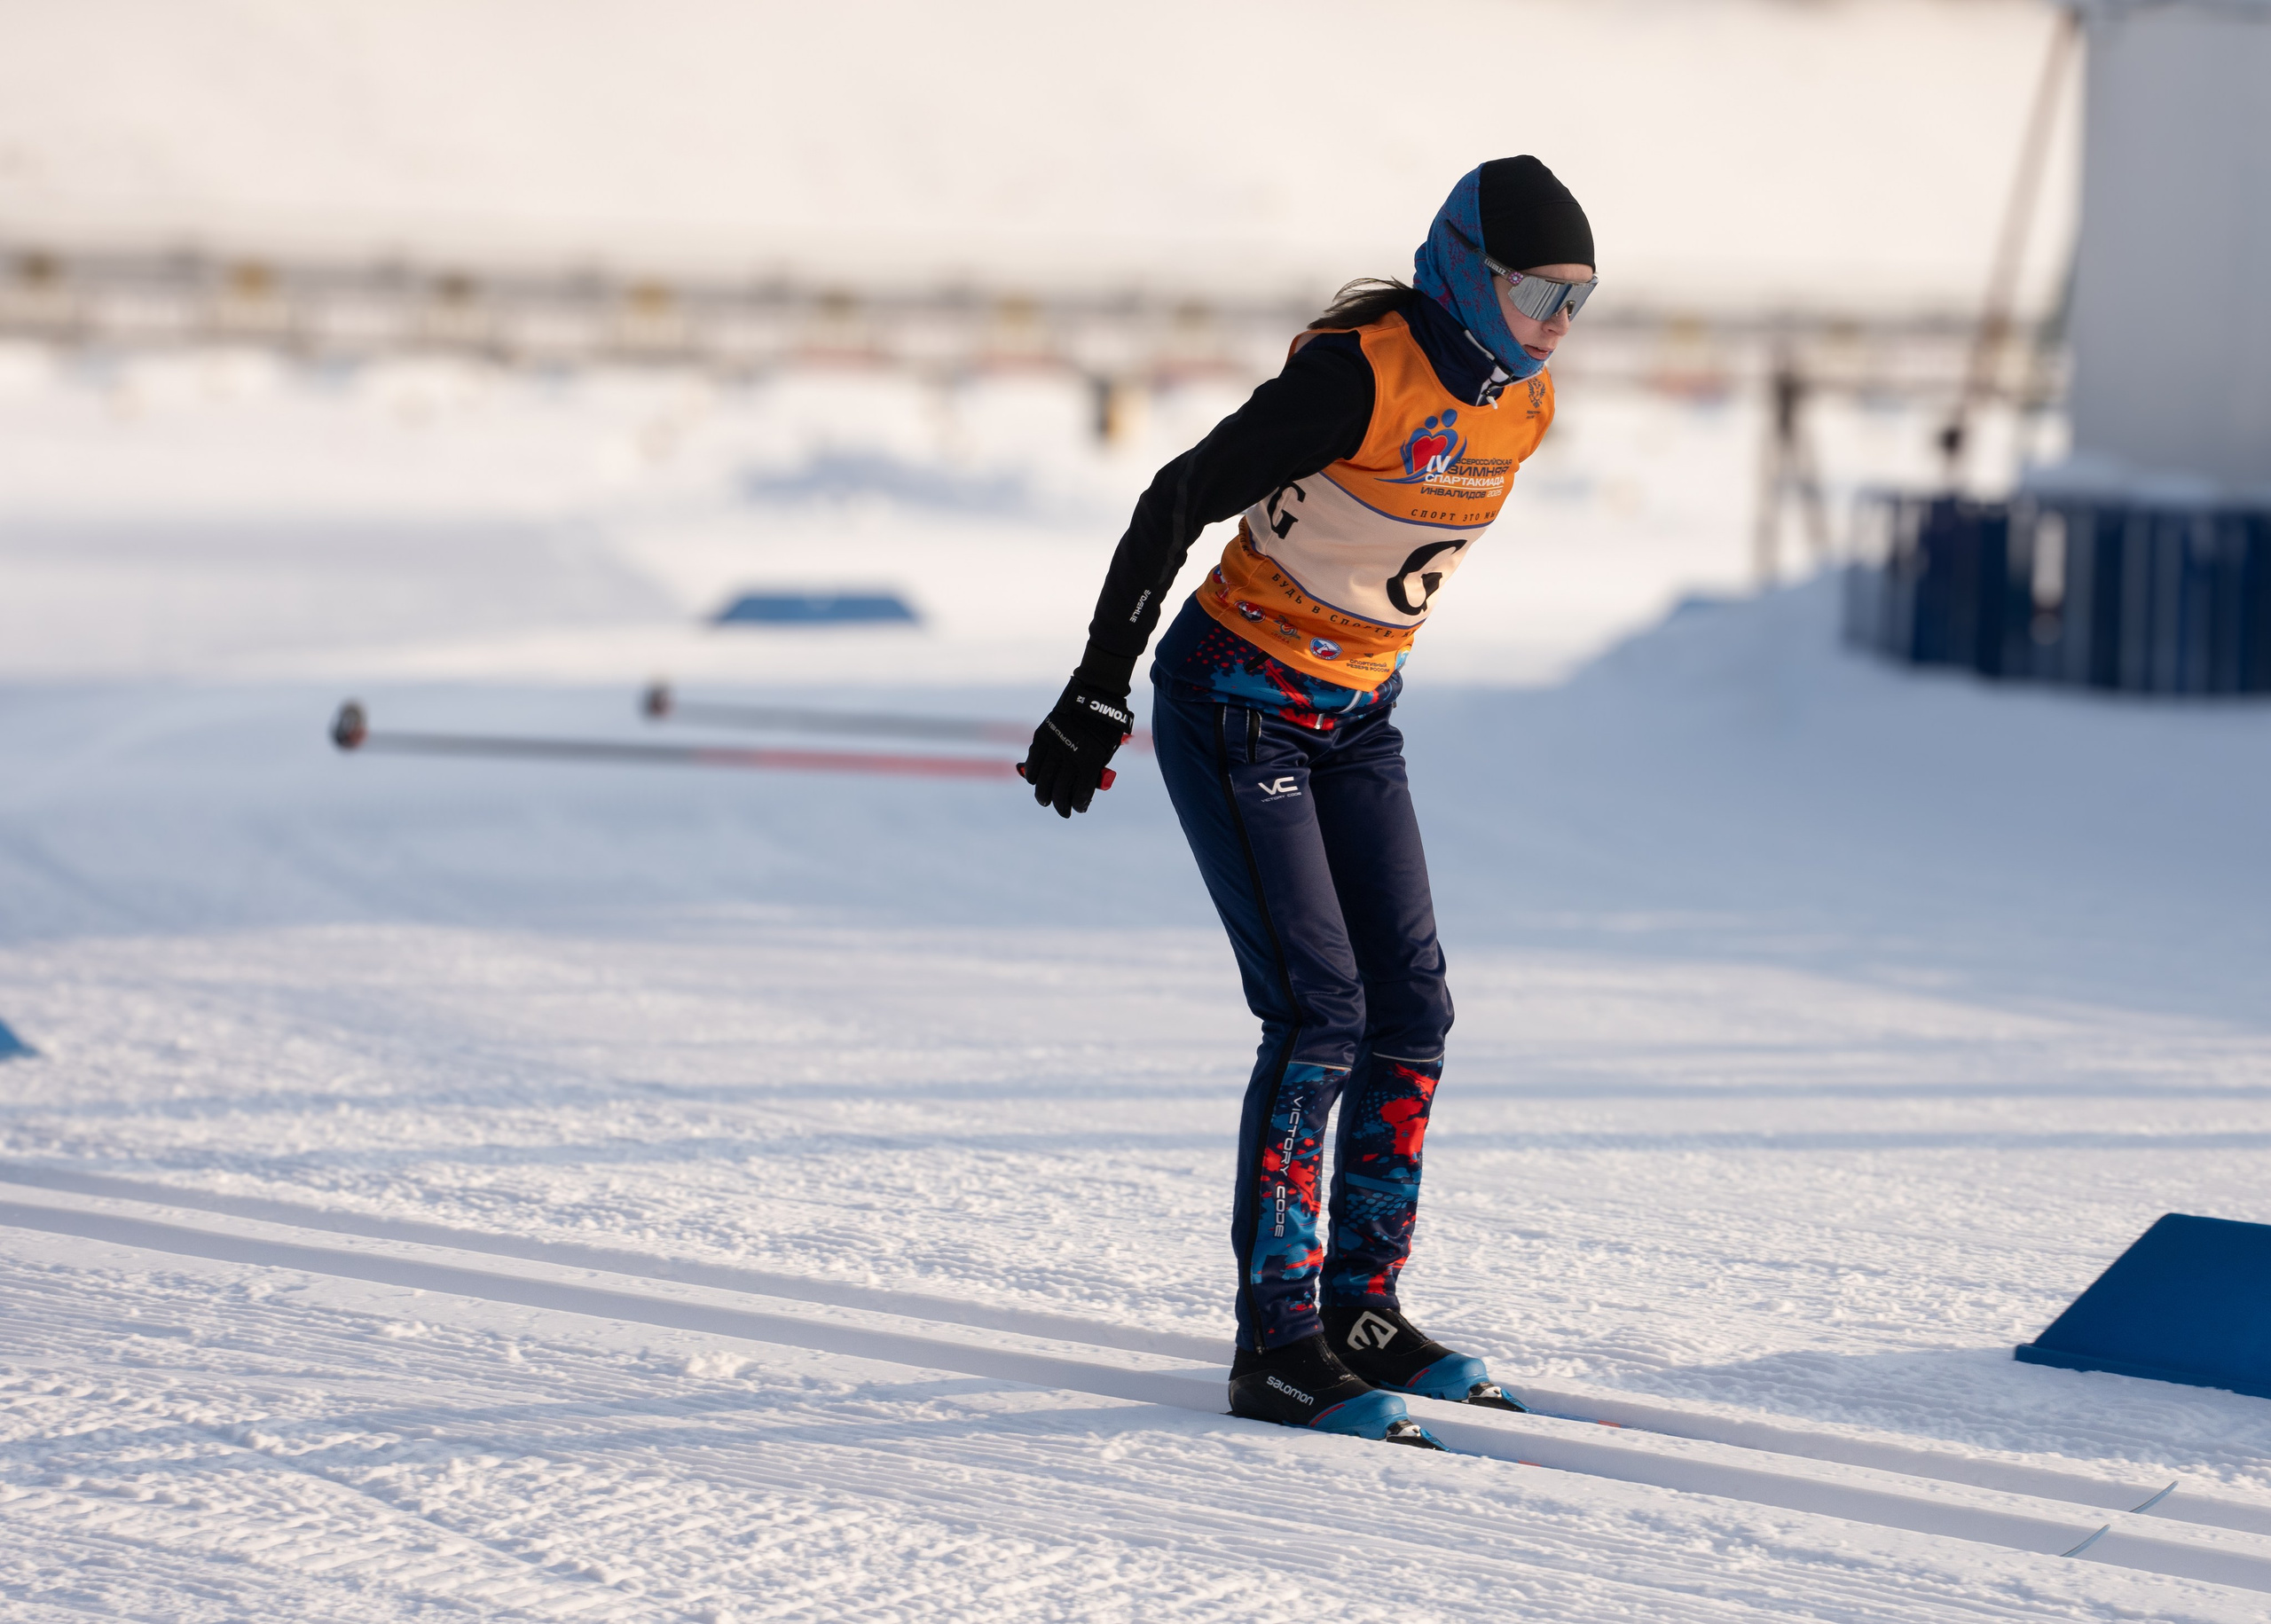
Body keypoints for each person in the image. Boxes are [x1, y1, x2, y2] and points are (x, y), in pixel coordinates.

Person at [1019, 158, 1595, 1447]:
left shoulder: (1528, 401)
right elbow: (1175, 496)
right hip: (1238, 698)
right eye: (1537, 290)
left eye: (1579, 299)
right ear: (1463, 268)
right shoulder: (1356, 376)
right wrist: (1096, 687)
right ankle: (1277, 1344)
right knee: (1319, 1012)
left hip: (1354, 712)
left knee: (1412, 1008)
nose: (1557, 321)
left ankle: (1362, 1311)